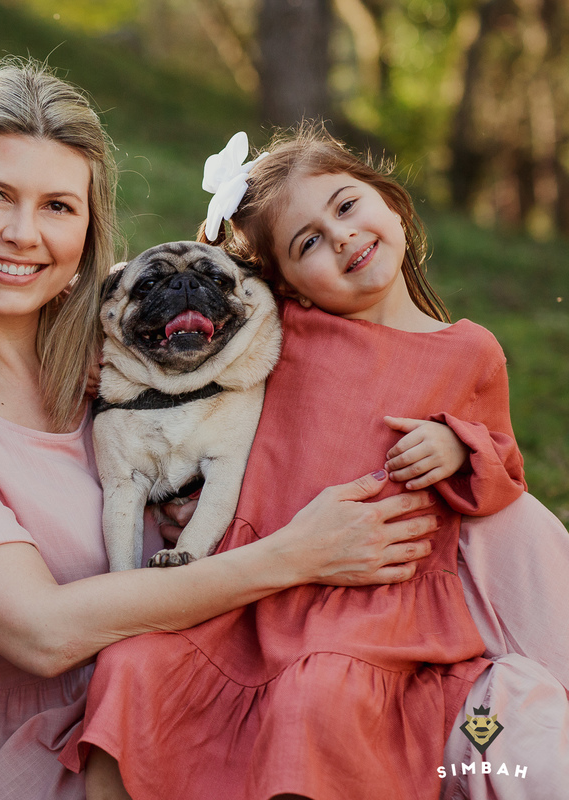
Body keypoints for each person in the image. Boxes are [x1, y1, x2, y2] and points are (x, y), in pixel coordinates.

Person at [0, 61, 441, 800]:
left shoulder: (138, 360)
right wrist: (294, 556)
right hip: (64, 771)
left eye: (59, 206)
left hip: (232, 719)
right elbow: (39, 632)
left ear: (91, 231)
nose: (23, 233)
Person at [67, 126, 569, 800]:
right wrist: (104, 357)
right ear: (279, 281)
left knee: (319, 693)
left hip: (369, 603)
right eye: (307, 243)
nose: (340, 238)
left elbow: (503, 468)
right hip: (245, 587)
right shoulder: (285, 330)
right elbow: (180, 334)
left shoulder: (470, 351)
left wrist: (457, 446)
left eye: (345, 206)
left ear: (390, 201)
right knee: (132, 665)